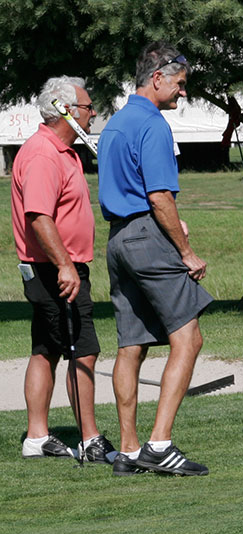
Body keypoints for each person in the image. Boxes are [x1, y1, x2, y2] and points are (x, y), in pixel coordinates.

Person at [97, 42, 214, 476]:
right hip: (146, 236)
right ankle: (160, 443)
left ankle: (128, 451)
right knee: (189, 337)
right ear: (158, 78)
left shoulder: (114, 124)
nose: (183, 94)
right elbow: (158, 194)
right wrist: (185, 251)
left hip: (117, 239)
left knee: (132, 345)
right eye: (180, 85)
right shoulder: (152, 125)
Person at [11, 76, 117, 464]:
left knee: (46, 350)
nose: (92, 115)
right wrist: (66, 266)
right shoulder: (42, 154)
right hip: (53, 271)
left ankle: (37, 437)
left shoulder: (62, 151)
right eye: (88, 108)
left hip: (53, 268)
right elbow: (39, 217)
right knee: (82, 351)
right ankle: (90, 440)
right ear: (65, 111)